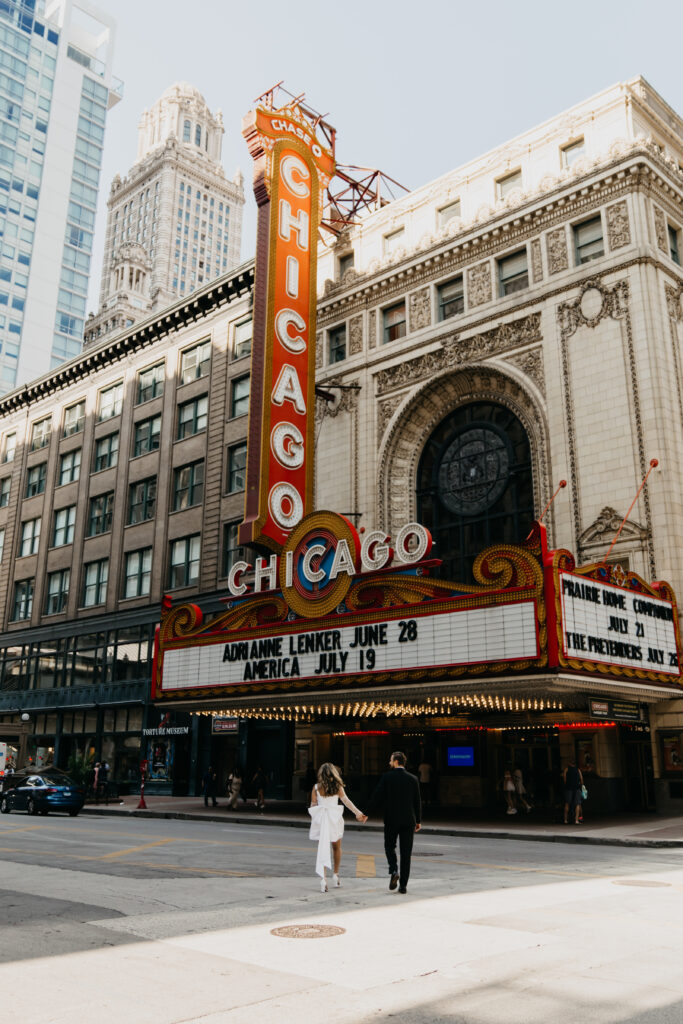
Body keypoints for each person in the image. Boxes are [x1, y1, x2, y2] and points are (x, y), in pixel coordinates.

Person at [308, 762, 367, 893]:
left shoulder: (316, 787)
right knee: (337, 847)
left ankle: (323, 880)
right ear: (334, 773)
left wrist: (316, 821)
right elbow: (346, 801)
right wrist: (358, 813)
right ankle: (335, 875)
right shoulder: (337, 787)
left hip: (322, 820)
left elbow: (313, 806)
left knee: (322, 849)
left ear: (321, 774)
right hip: (334, 819)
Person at [370, 751, 421, 894]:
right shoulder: (413, 779)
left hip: (391, 819)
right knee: (406, 854)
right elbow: (417, 802)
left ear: (396, 761)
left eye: (390, 760)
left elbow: (377, 796)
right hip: (408, 820)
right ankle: (403, 886)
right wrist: (418, 820)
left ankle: (393, 869)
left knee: (389, 846)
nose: (389, 763)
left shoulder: (387, 777)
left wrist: (366, 813)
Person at [563, 758, 584, 824]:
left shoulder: (566, 769)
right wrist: (581, 785)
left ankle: (565, 820)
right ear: (575, 764)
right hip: (577, 789)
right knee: (577, 804)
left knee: (567, 804)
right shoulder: (578, 770)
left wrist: (567, 785)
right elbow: (581, 779)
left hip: (569, 788)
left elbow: (564, 779)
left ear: (569, 763)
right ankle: (576, 820)